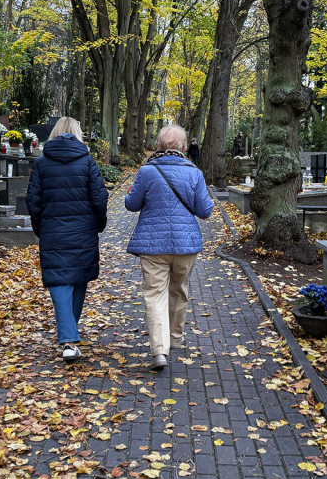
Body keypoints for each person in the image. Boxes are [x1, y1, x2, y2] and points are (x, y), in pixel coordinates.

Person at [125, 124, 215, 371]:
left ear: (158, 146)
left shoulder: (146, 171)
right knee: (179, 290)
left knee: (155, 294)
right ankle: (175, 338)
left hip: (153, 246)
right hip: (186, 245)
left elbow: (131, 205)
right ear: (185, 148)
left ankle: (159, 350)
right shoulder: (195, 173)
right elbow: (205, 210)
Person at [26, 117, 108, 363]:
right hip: (82, 232)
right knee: (78, 279)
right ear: (77, 134)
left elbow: (33, 201)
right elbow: (99, 198)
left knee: (60, 281)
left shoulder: (41, 164)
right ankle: (69, 340)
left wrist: (41, 228)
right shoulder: (87, 162)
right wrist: (98, 225)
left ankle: (69, 339)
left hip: (53, 232)